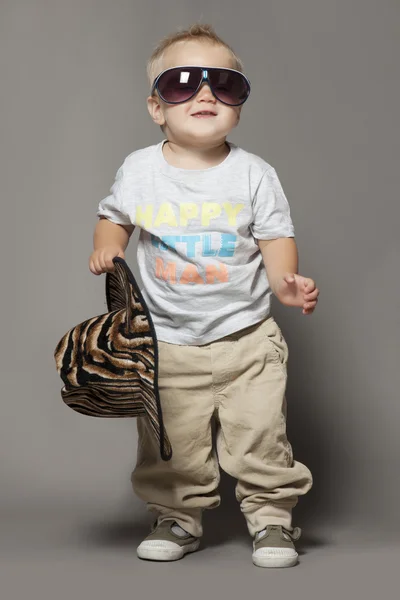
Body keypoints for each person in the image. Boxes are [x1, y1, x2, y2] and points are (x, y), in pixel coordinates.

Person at [89, 23, 319, 568]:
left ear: (239, 103)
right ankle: (176, 515)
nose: (205, 94)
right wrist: (106, 247)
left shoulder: (254, 175)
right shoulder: (140, 169)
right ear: (156, 107)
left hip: (246, 338)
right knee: (171, 439)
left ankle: (272, 520)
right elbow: (113, 216)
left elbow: (274, 236)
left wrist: (287, 281)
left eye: (224, 84)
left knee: (261, 434)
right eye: (181, 84)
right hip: (166, 340)